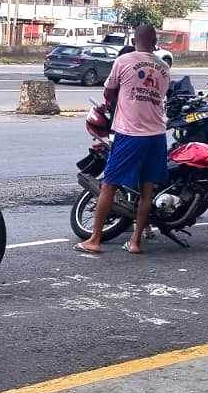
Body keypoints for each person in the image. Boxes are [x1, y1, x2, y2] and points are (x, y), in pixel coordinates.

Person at [73, 25, 171, 255]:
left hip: (131, 133)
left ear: (135, 40)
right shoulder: (164, 69)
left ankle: (94, 239)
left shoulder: (124, 60)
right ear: (155, 42)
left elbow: (108, 92)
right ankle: (135, 242)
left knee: (109, 185)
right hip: (156, 134)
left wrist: (118, 98)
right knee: (147, 191)